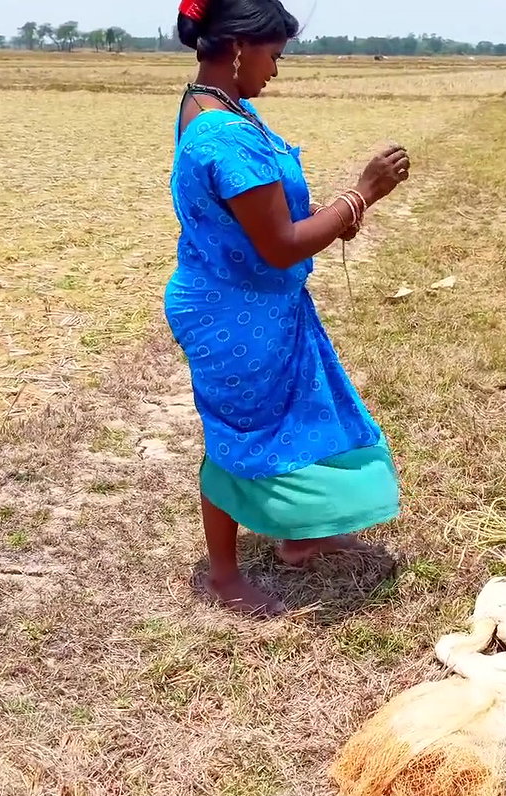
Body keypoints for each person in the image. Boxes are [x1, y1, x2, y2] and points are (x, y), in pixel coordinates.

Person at [166, 0, 413, 616]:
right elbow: (278, 245)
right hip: (234, 316)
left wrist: (332, 220)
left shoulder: (213, 105)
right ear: (242, 47)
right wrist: (362, 195)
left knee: (303, 412)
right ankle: (223, 577)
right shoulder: (224, 137)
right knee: (238, 433)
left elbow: (273, 225)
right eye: (274, 55)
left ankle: (298, 536)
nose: (276, 70)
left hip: (258, 304)